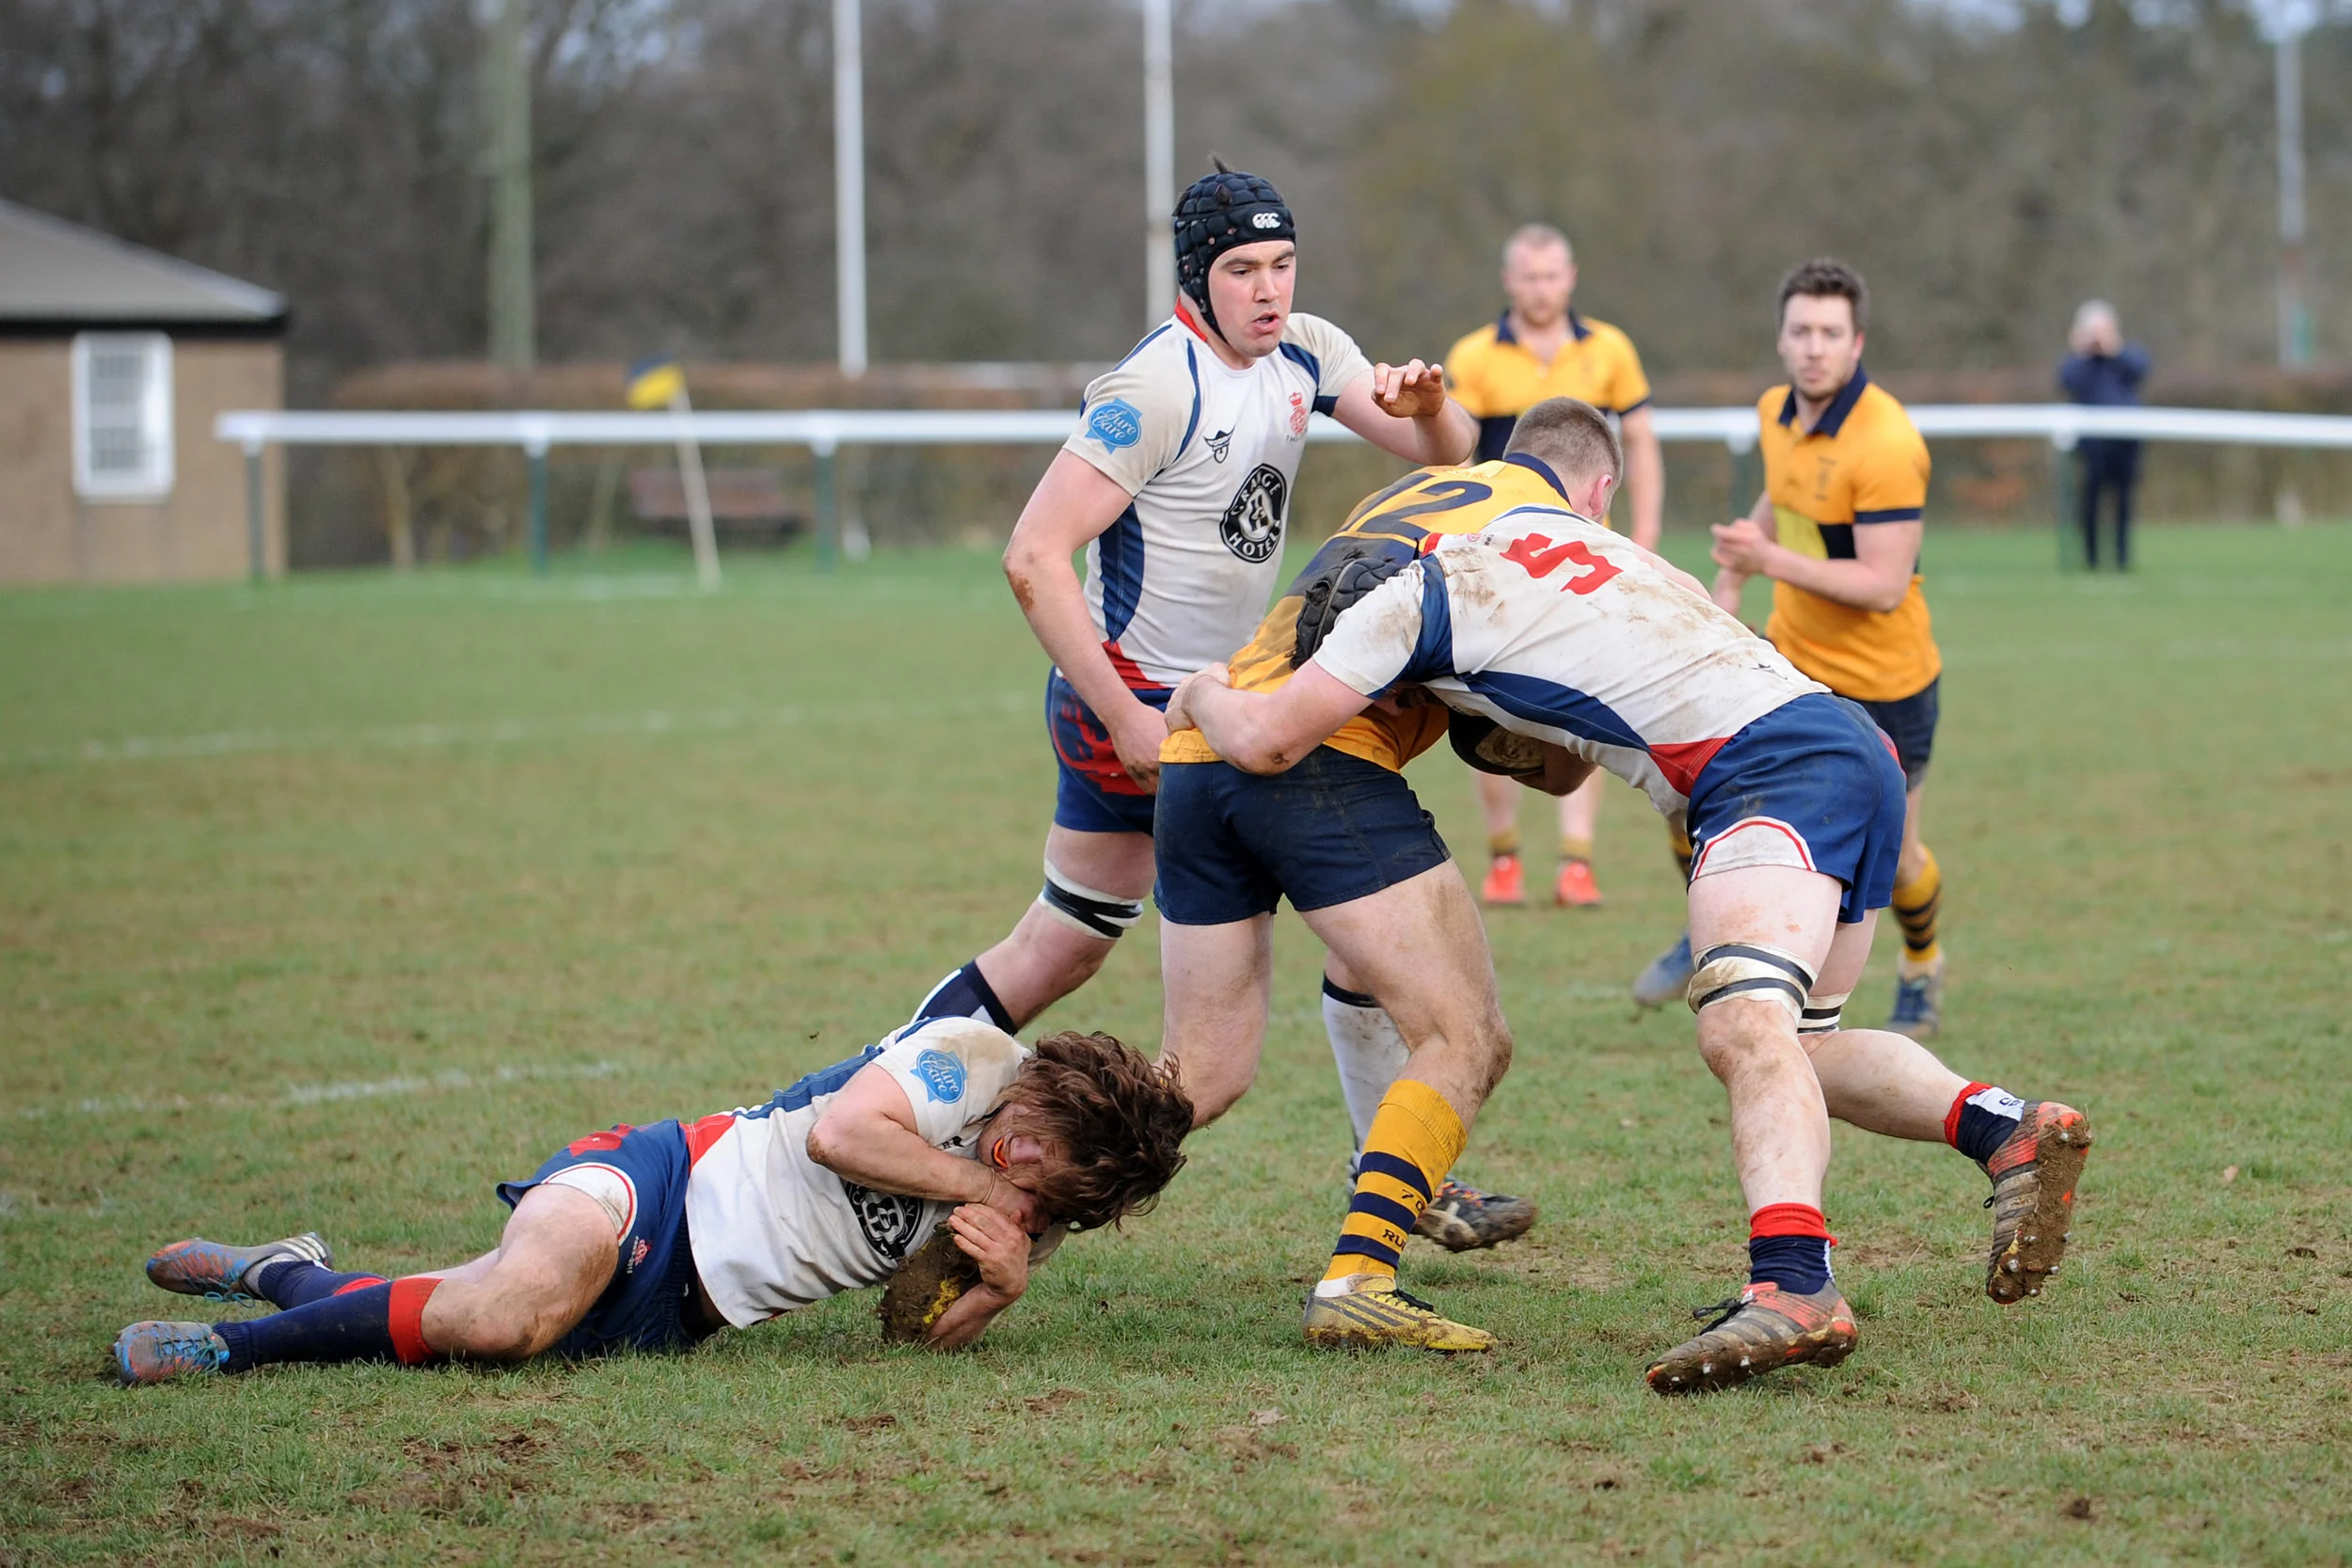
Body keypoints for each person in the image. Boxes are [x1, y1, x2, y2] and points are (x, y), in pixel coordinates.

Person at [1167, 400, 2094, 1393]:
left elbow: (1267, 738)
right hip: (1842, 739)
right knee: (1799, 1044)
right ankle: (2003, 1128)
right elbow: (1574, 744)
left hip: (1766, 773)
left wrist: (1198, 695)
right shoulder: (1595, 554)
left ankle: (1793, 1284)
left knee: (1740, 1028)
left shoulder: (1415, 592)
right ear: (1591, 493)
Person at [903, 165, 1520, 1252]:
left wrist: (1430, 412)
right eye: (1243, 270)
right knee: (1073, 952)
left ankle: (1399, 1172)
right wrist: (1126, 718)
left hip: (1224, 710)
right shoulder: (1153, 390)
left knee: (1314, 939)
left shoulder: (1307, 352)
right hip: (1135, 708)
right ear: (1197, 276)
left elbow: (1451, 452)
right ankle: (895, 1111)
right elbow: (1034, 559)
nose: (1268, 289)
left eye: (1282, 264)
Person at [1150, 406, 1626, 1351]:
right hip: (1315, 763)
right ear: (1598, 491)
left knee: (1193, 1076)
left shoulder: (1416, 491)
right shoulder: (1537, 531)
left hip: (1200, 763)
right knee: (1467, 1032)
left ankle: (997, 1196)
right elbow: (1568, 760)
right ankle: (1360, 1274)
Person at [112, 1022, 1191, 1383]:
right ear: (1044, 1092)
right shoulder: (972, 1055)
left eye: (1047, 1181)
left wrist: (996, 1285)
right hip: (663, 1181)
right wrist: (977, 1178)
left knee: (482, 1324)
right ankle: (222, 1348)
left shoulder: (1035, 1218)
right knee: (503, 1311)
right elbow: (839, 1132)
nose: (1022, 1169)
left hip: (680, 1314)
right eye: (1033, 1144)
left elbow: (909, 1327)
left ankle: (284, 1267)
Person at [1671, 258, 1950, 1040]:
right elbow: (1781, 497)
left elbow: (1885, 583)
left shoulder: (1886, 442)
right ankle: (1721, 916)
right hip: (1795, 667)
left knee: (1893, 862)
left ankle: (1922, 962)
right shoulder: (1775, 411)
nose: (1814, 348)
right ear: (1782, 337)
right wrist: (1730, 580)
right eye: (1801, 331)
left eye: (1831, 333)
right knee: (1713, 795)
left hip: (1889, 681)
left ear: (1858, 342)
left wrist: (1770, 564)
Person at [1444, 224, 1663, 908]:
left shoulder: (1610, 350)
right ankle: (1504, 857)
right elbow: (1456, 462)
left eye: (1551, 275)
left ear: (1571, 277)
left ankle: (1577, 861)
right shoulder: (1474, 356)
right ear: (1510, 281)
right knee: (1487, 700)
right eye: (1528, 276)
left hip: (1586, 557)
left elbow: (1641, 446)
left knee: (1587, 696)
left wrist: (1644, 537)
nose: (1541, 287)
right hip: (1500, 555)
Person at [2059, 300, 2149, 571]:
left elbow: (2140, 370)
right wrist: (2082, 351)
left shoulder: (2125, 357)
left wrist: (2113, 349)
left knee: (2123, 502)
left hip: (2124, 443)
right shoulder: (2080, 363)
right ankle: (2092, 560)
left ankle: (2122, 559)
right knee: (2090, 504)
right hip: (2093, 446)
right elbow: (2067, 381)